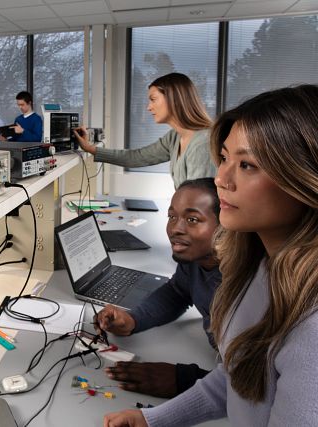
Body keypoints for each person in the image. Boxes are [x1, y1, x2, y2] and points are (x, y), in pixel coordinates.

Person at [103, 85, 318, 427]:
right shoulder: (259, 269)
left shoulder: (311, 326)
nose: (221, 179)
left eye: (247, 164)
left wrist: (180, 379)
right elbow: (239, 378)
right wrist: (152, 420)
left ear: (304, 179)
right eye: (224, 158)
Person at [94, 178, 221, 399]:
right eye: (172, 217)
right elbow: (177, 292)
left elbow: (262, 379)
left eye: (192, 219)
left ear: (225, 224)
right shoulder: (195, 259)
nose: (175, 229)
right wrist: (133, 320)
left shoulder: (250, 283)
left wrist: (186, 380)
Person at [74, 73, 216, 189]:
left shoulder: (202, 144)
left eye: (153, 100)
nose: (149, 107)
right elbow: (136, 157)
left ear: (174, 99)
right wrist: (90, 148)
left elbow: (199, 201)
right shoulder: (175, 137)